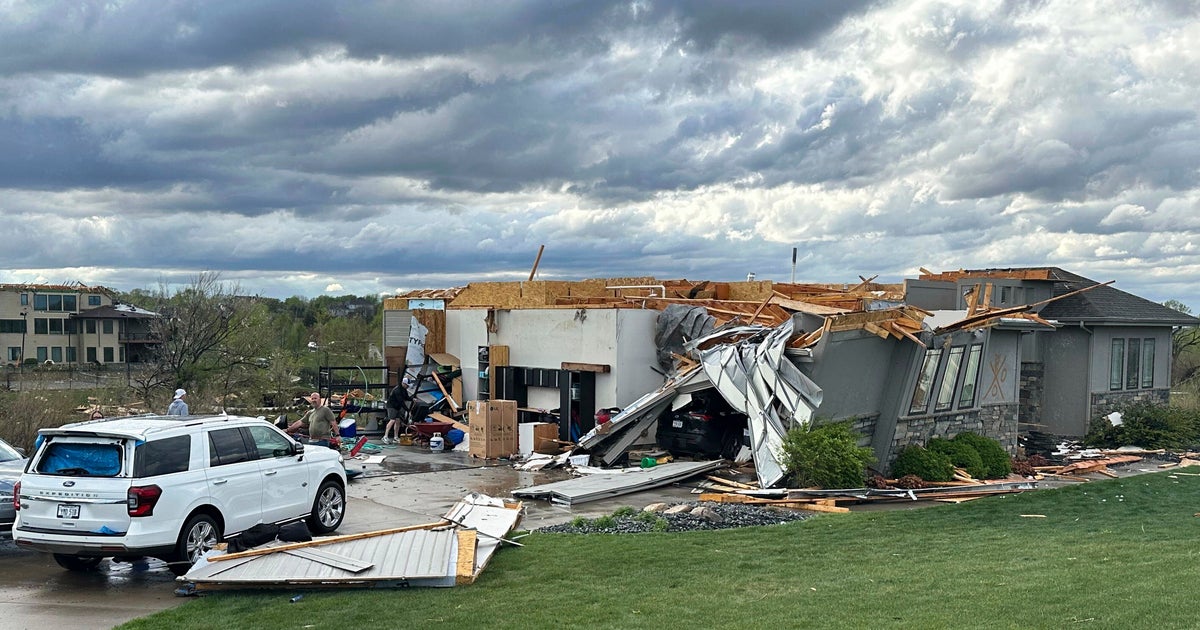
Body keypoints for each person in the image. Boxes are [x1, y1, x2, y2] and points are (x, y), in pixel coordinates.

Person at [381, 378, 412, 444]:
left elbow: (406, 397)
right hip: (391, 406)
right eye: (407, 385)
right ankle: (385, 436)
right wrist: (407, 410)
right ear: (403, 383)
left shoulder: (404, 390)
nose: (408, 387)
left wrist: (412, 399)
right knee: (392, 420)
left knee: (398, 421)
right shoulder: (397, 390)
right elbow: (401, 401)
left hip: (397, 407)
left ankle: (396, 437)